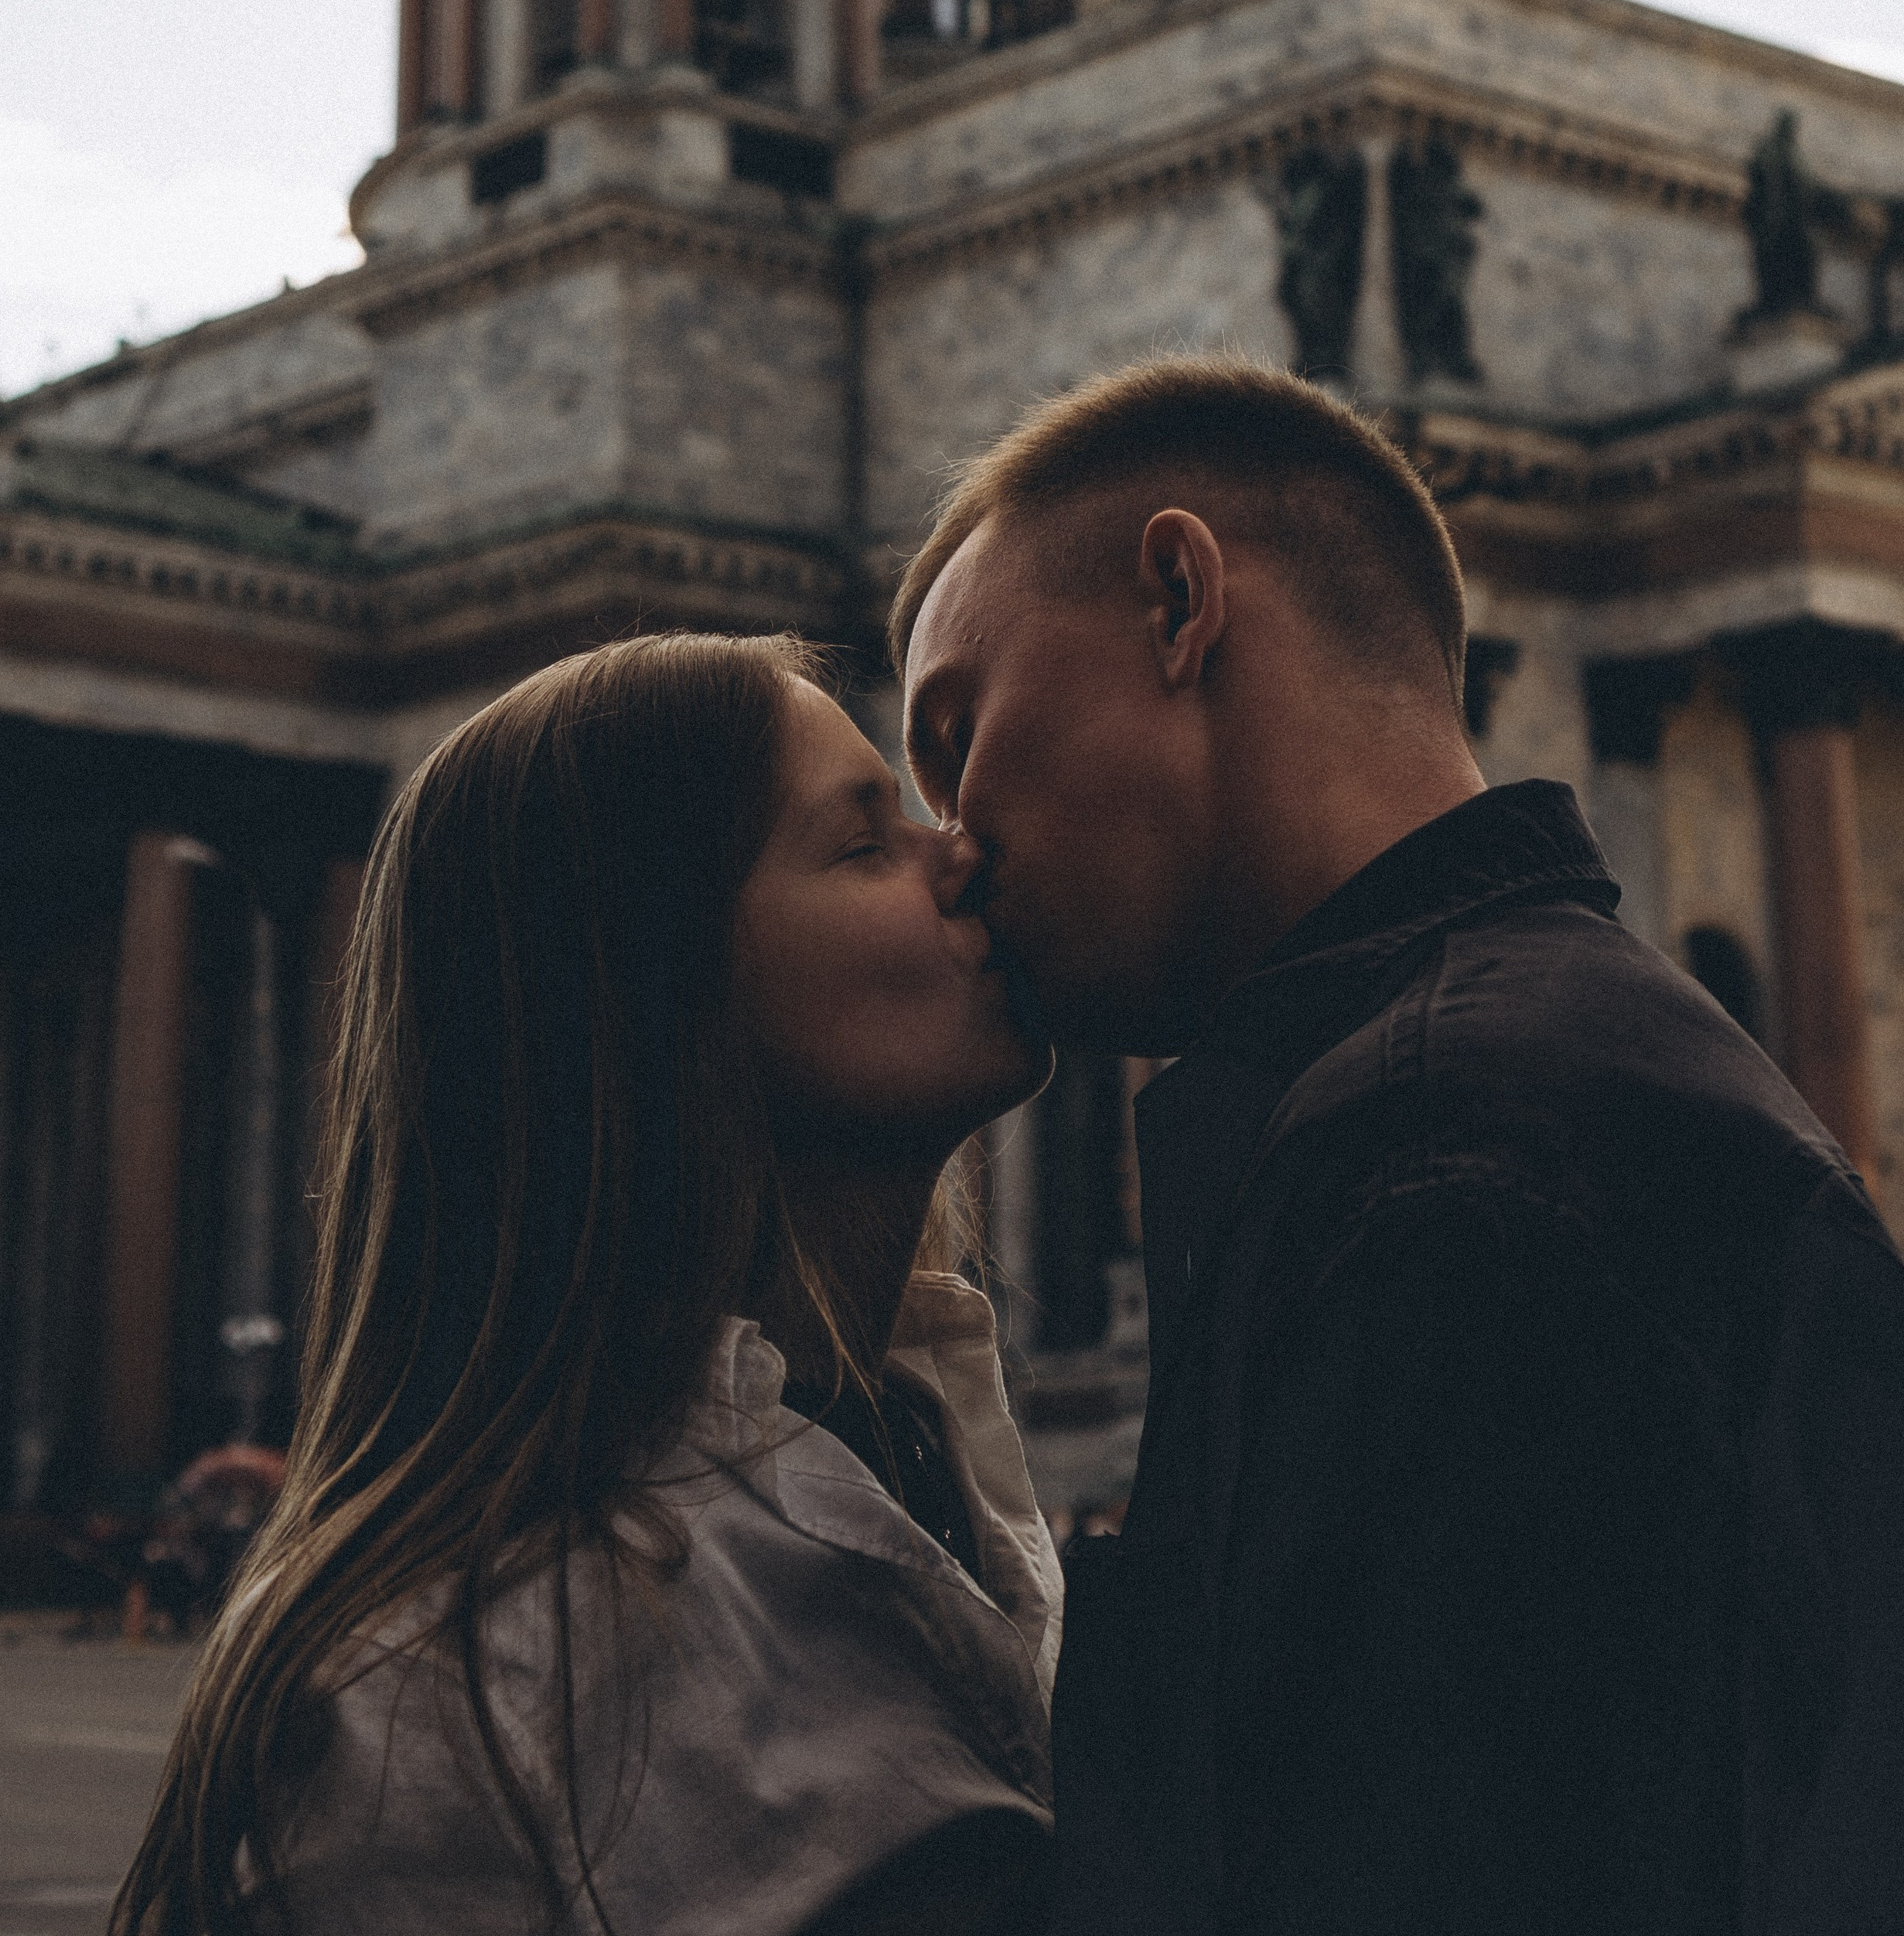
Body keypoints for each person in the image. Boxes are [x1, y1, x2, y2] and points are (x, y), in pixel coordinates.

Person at [894, 355, 1904, 1936]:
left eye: (955, 733)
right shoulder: (1515, 1083)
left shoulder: (1445, 1179)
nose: (948, 841)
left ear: (1178, 602)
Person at [111, 633, 1058, 1936]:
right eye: (862, 841)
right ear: (649, 994)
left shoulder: (918, 1439)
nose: (959, 853)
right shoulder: (433, 1695)